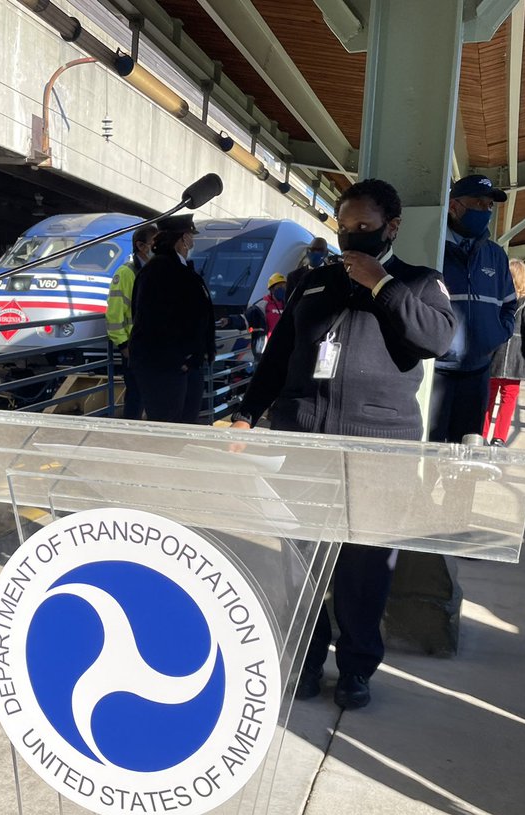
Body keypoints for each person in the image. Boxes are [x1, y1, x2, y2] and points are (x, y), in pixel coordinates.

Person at [230, 178, 456, 710]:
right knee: (301, 562)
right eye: (344, 226)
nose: (352, 237)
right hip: (305, 442)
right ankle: (305, 662)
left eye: (365, 227)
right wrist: (245, 415)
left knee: (364, 570)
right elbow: (278, 357)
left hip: (380, 452)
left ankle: (356, 668)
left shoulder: (422, 283)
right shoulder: (313, 282)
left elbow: (436, 339)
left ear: (392, 227)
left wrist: (382, 285)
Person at [431, 174, 517, 443]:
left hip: (478, 372)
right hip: (435, 373)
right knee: (428, 450)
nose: (485, 211)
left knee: (468, 451)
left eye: (489, 206)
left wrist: (494, 337)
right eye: (478, 203)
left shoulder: (495, 254)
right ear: (455, 206)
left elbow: (509, 304)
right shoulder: (432, 247)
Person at [129, 214, 215, 424]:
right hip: (166, 367)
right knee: (168, 428)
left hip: (183, 364)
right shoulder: (160, 270)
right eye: (189, 236)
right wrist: (181, 360)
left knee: (184, 424)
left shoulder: (179, 269)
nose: (192, 241)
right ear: (182, 238)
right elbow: (154, 321)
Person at [484, 258, 525, 446]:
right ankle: (499, 438)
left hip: (494, 354)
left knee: (488, 398)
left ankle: (481, 434)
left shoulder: (495, 298)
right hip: (517, 358)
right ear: (523, 278)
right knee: (508, 399)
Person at [105, 223, 157, 419]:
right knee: (136, 398)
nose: (158, 247)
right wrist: (124, 345)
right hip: (134, 348)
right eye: (154, 243)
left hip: (152, 347)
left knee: (151, 398)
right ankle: (129, 438)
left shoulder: (153, 270)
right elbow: (115, 315)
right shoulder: (126, 273)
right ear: (141, 246)